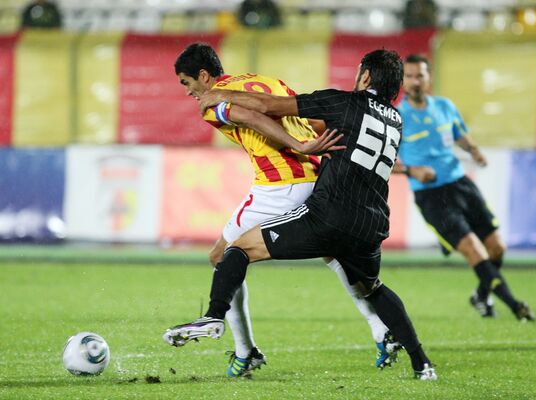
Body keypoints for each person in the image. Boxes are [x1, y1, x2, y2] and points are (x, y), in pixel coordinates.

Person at [164, 48, 437, 380]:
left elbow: (253, 115)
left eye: (187, 83)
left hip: (282, 183)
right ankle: (387, 335)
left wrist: (296, 144)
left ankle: (240, 345)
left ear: (204, 76)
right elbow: (319, 122)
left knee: (225, 255)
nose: (189, 91)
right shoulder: (270, 81)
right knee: (346, 261)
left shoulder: (210, 102)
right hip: (339, 192)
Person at [393, 53, 535, 321]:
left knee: (497, 249)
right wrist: (412, 170)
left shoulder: (445, 106)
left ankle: (480, 296)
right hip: (432, 195)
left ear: (429, 78)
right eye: (409, 76)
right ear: (402, 81)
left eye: (419, 76)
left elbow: (458, 133)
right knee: (474, 249)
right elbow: (382, 160)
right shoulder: (397, 118)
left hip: (461, 184)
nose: (415, 81)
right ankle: (516, 307)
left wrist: (474, 150)